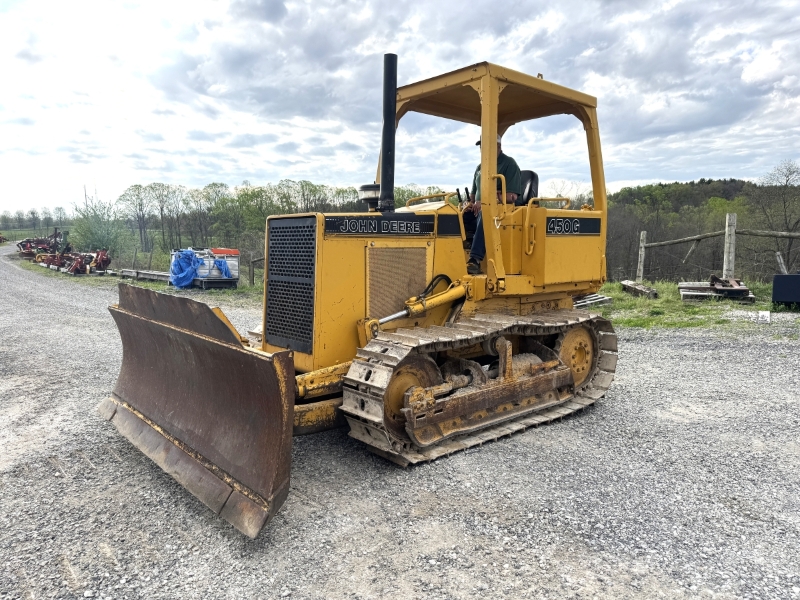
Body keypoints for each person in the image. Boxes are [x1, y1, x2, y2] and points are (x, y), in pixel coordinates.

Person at [463, 135, 522, 274]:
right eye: (481, 146)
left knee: (487, 214)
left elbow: (511, 196)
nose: (483, 149)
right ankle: (456, 254)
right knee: (459, 215)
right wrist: (468, 203)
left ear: (498, 146)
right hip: (479, 207)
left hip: (502, 209)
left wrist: (486, 201)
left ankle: (474, 260)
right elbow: (473, 195)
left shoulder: (509, 164)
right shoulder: (479, 167)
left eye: (487, 146)